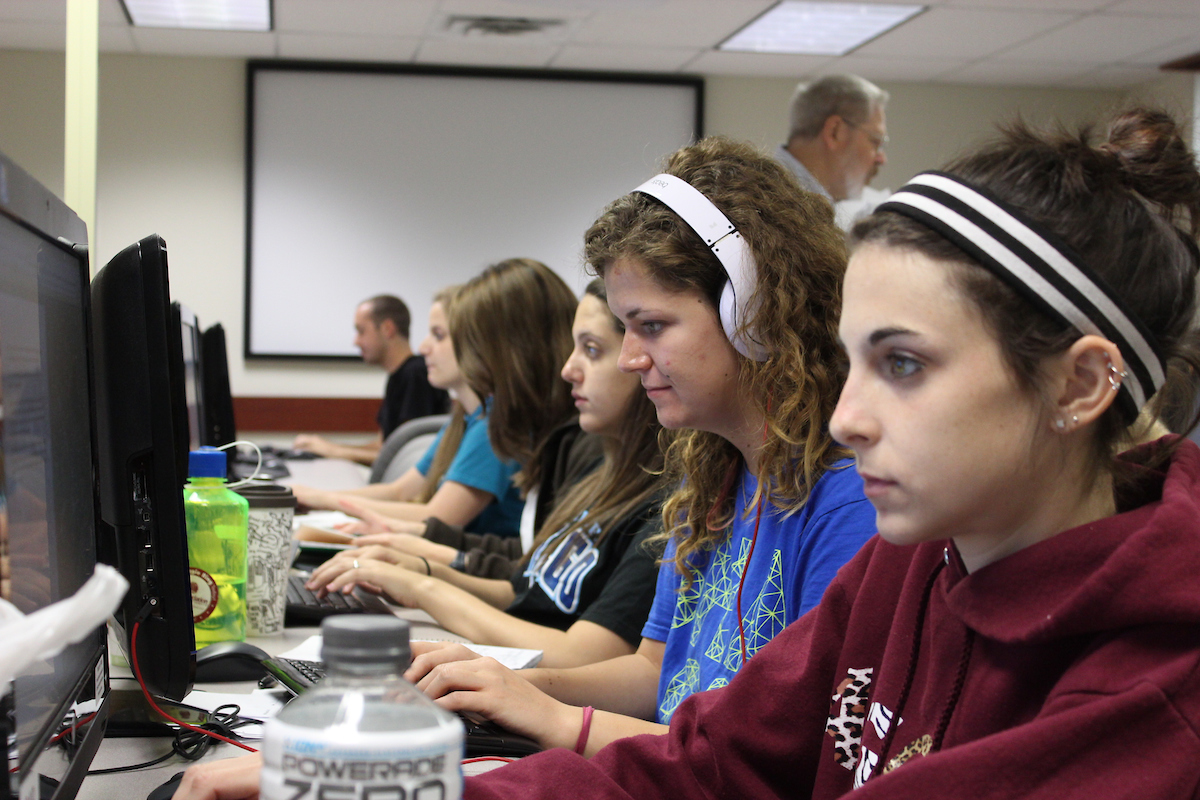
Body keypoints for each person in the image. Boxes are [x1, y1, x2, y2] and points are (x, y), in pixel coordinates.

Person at [448, 108, 1200, 798]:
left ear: (1080, 384)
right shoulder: (911, 564)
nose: (846, 418)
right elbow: (708, 763)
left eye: (903, 364)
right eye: (854, 363)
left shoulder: (1153, 691)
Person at [172, 136, 878, 800]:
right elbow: (651, 673)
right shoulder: (712, 481)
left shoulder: (848, 507)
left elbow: (781, 763)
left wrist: (559, 720)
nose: (633, 358)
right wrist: (504, 686)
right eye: (625, 329)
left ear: (752, 315)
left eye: (652, 326)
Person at [302, 279, 666, 667]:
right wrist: (419, 567)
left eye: (447, 336)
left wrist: (423, 580)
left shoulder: (651, 493)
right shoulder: (599, 464)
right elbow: (526, 582)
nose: (567, 368)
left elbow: (585, 651)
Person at [292, 287, 523, 534]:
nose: (423, 347)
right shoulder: (464, 419)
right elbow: (399, 491)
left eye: (439, 335)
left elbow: (436, 518)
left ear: (476, 343)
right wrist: (317, 497)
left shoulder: (493, 425)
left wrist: (325, 500)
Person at [293, 294, 448, 465]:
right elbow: (385, 446)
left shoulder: (416, 374)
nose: (356, 341)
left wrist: (333, 451)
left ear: (387, 329)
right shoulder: (399, 376)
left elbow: (405, 458)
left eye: (361, 331)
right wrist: (329, 447)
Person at [776, 74, 889, 220]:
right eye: (875, 142)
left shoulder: (811, 207)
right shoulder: (769, 206)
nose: (882, 159)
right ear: (835, 131)